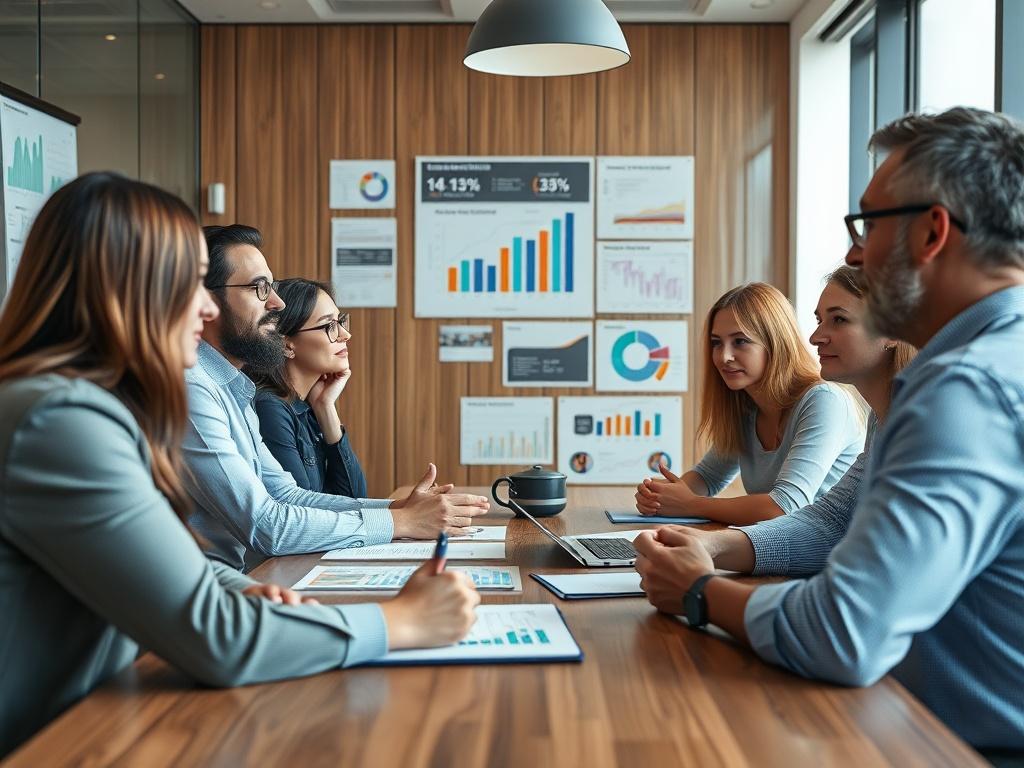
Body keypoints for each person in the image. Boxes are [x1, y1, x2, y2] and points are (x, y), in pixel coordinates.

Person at [0, 173, 479, 757]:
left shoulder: (78, 406)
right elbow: (217, 638)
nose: (202, 310)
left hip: (102, 713)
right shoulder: (62, 421)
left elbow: (166, 561)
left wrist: (238, 591)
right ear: (125, 292)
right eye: (187, 284)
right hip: (60, 740)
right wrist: (402, 622)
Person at [634, 108, 1024, 754]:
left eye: (868, 224)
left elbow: (844, 631)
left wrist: (700, 593)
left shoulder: (963, 388)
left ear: (932, 232)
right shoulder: (968, 370)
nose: (853, 252)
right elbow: (830, 522)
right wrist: (712, 551)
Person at [186, 225, 489, 572]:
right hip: (204, 600)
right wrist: (402, 522)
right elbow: (267, 526)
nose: (277, 302)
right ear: (204, 302)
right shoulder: (193, 390)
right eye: (260, 288)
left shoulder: (233, 388)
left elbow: (287, 495)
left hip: (234, 584)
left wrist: (396, 510)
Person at [666, 265, 914, 576]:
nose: (814, 337)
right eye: (819, 320)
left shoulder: (837, 402)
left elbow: (789, 509)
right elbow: (833, 522)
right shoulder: (883, 423)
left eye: (839, 319)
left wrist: (692, 512)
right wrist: (705, 544)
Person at [635, 282, 863, 526]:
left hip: (830, 556)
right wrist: (661, 497)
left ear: (775, 342)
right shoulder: (747, 407)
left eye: (740, 341)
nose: (724, 356)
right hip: (784, 551)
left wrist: (689, 504)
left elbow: (784, 507)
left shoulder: (824, 400)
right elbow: (708, 477)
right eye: (716, 343)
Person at [245, 278, 367, 497]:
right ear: (286, 344)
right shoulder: (271, 409)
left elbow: (354, 496)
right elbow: (304, 510)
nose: (345, 335)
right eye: (328, 325)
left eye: (340, 321)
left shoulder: (306, 406)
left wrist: (325, 408)